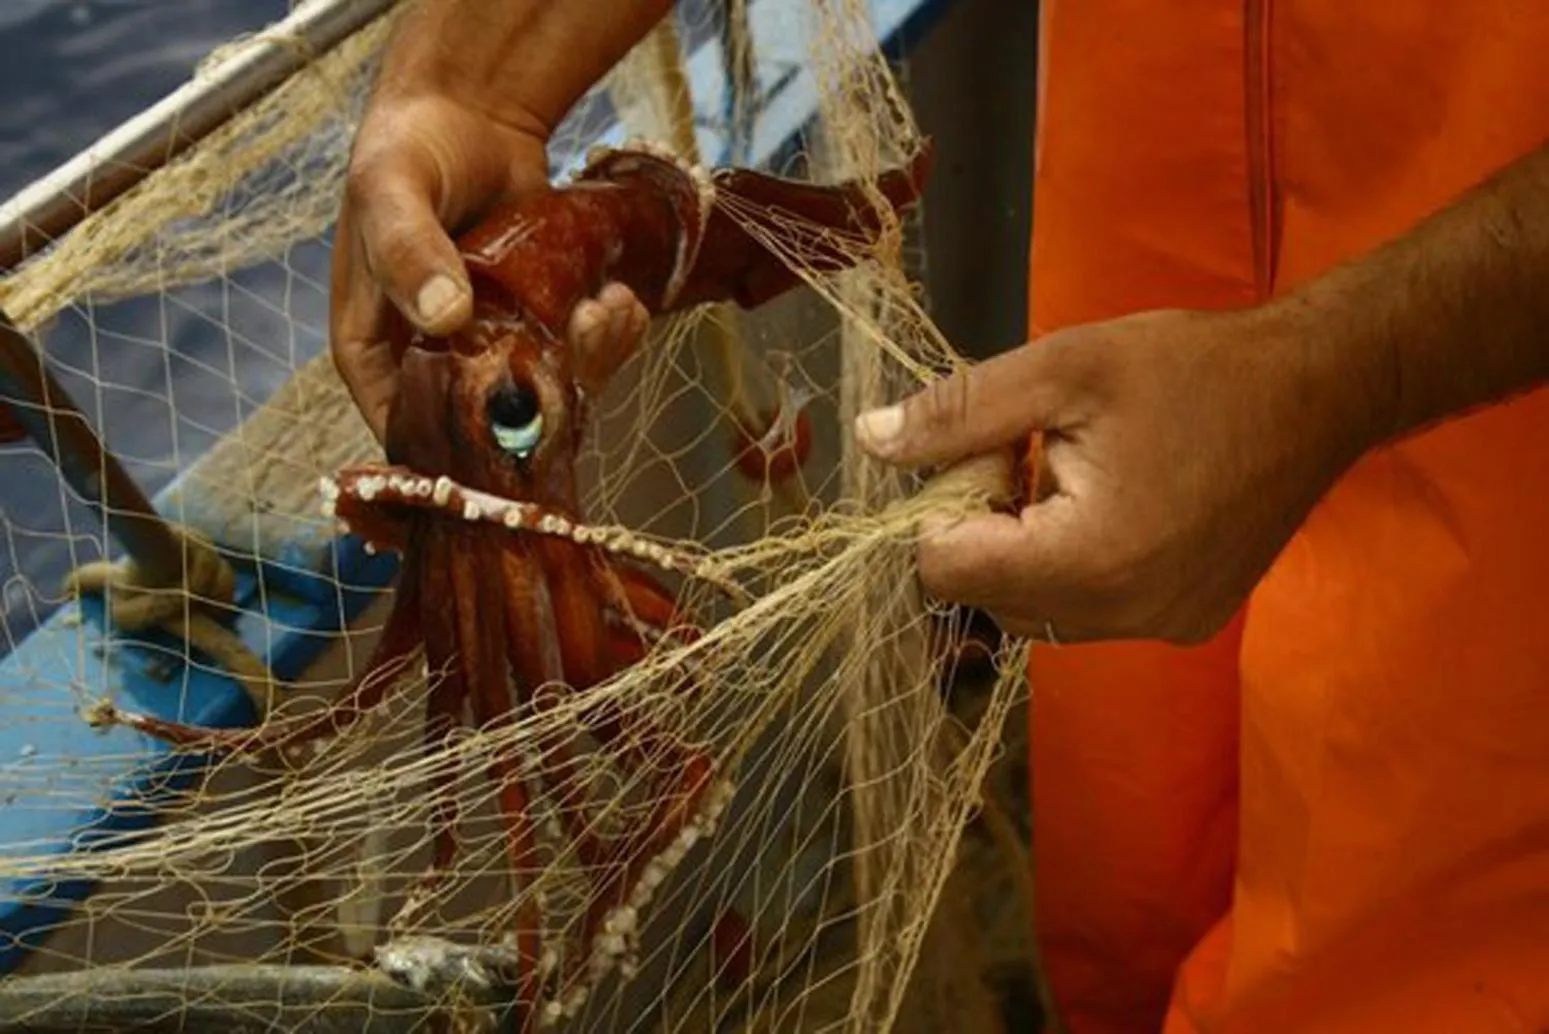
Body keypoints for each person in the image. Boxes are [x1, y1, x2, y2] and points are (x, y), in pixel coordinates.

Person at [330, 2, 1549, 1032]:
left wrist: (1338, 372)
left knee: (1408, 927)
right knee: (1133, 838)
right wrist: (469, 80)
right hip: (1162, 152)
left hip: (1491, 369)